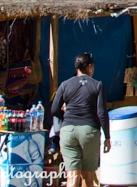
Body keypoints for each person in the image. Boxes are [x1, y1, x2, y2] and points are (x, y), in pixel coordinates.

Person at [52, 53, 110, 187]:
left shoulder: (65, 85)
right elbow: (102, 113)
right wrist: (107, 136)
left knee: (72, 178)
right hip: (89, 131)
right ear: (89, 67)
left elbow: (54, 109)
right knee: (88, 177)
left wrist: (65, 121)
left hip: (68, 131)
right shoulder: (97, 85)